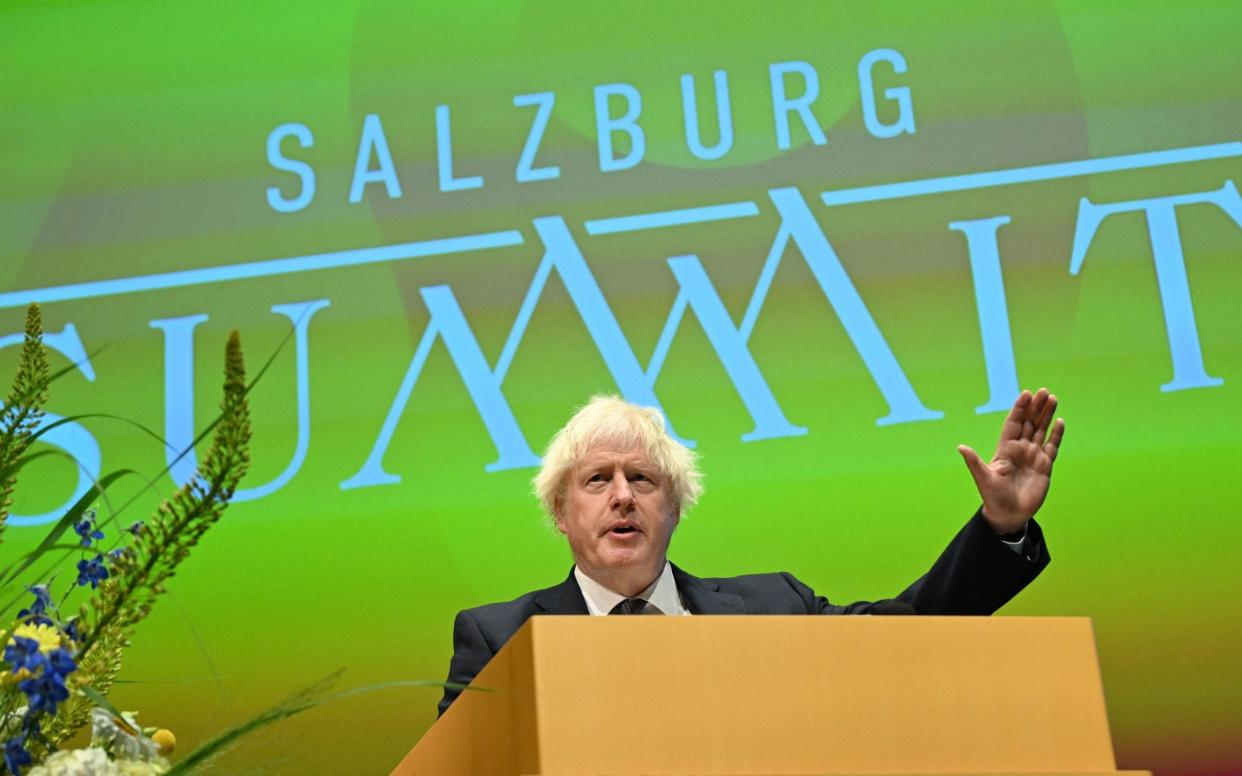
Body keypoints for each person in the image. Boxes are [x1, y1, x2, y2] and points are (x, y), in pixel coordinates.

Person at [438, 388, 1065, 716]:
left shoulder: (773, 605)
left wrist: (999, 526)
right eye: (598, 480)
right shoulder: (501, 640)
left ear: (675, 507)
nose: (623, 498)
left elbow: (910, 634)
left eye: (644, 480)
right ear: (561, 513)